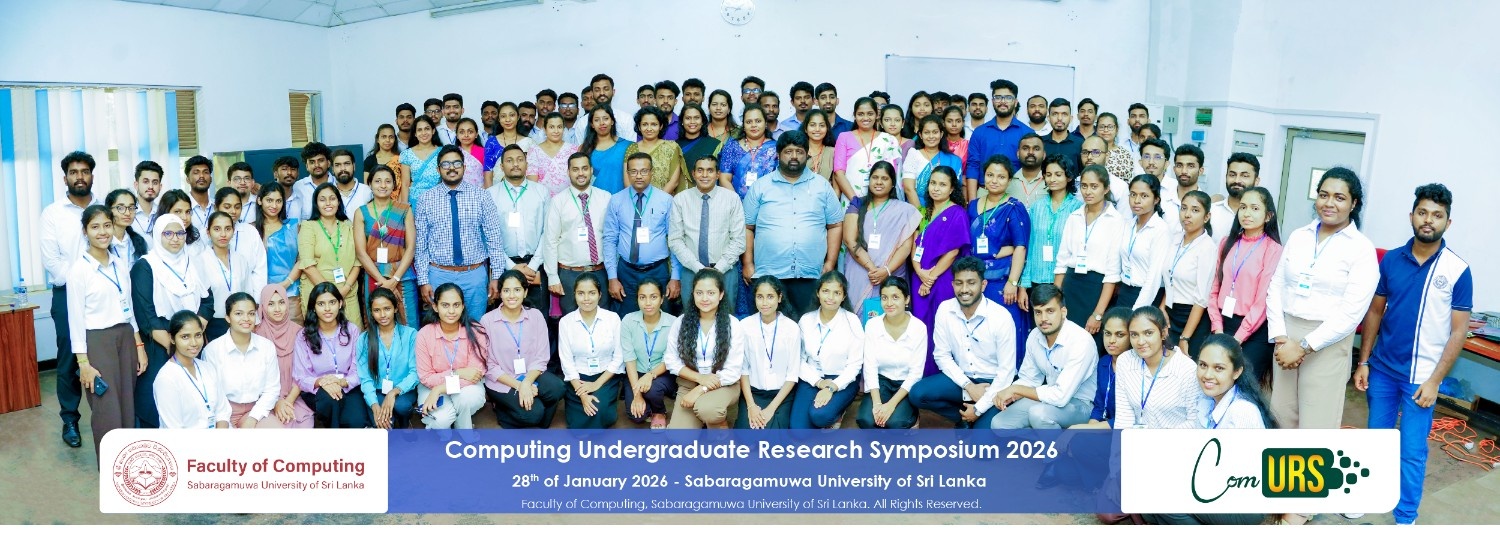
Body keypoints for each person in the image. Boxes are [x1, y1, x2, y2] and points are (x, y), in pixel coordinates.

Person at [1355, 183, 1470, 525]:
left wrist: (1435, 381)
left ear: (1448, 222)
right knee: (1376, 441)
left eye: (1437, 215)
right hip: (1382, 370)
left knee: (1412, 451)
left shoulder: (1457, 270)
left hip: (1422, 378)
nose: (1428, 220)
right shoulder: (1392, 259)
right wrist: (1363, 361)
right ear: (1411, 216)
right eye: (1422, 212)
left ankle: (1406, 517)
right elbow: (1375, 312)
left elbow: (1459, 331)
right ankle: (1368, 494)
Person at [1266, 167, 1378, 429]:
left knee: (1317, 423)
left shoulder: (1361, 248)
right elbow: (1276, 286)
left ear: (1354, 204)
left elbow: (1351, 312)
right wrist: (1281, 337)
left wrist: (1304, 346)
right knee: (1280, 416)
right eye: (1324, 195)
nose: (1329, 203)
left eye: (1340, 197)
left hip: (1328, 342)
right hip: (1286, 337)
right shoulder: (1299, 236)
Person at [1139, 334, 1275, 526]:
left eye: (1219, 368)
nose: (1207, 375)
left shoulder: (1242, 411)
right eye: (1203, 365)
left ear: (1236, 372)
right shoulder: (1206, 401)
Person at [69, 204, 146, 454]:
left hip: (125, 337)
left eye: (106, 225)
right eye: (95, 227)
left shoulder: (119, 264)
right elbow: (75, 320)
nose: (102, 232)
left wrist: (139, 345)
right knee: (106, 408)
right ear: (85, 231)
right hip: (97, 342)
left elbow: (129, 307)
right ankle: (110, 466)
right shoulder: (79, 271)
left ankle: (127, 462)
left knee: (127, 404)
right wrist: (83, 363)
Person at [743, 131, 844, 318]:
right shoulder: (761, 186)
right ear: (778, 154)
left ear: (807, 154)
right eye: (788, 152)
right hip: (768, 275)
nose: (794, 156)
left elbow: (835, 225)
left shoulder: (822, 186)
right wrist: (748, 263)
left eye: (799, 152)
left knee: (808, 327)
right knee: (769, 328)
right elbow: (747, 227)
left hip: (810, 274)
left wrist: (830, 262)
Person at [909, 257, 1017, 427]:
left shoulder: (1001, 317)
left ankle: (977, 416)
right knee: (918, 394)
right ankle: (963, 417)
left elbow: (1006, 373)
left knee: (979, 441)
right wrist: (969, 386)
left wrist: (978, 409)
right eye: (959, 283)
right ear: (953, 285)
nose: (964, 289)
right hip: (962, 380)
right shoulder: (945, 309)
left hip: (993, 384)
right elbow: (942, 356)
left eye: (971, 283)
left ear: (983, 285)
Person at [40, 151, 100, 447]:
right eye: (74, 172)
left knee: (102, 353)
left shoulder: (104, 208)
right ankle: (70, 420)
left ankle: (107, 417)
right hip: (66, 294)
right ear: (65, 178)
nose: (79, 177)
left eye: (84, 171)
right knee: (69, 358)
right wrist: (82, 280)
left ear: (92, 176)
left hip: (102, 293)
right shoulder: (52, 214)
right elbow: (52, 262)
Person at [131, 215, 212, 428]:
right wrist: (173, 343)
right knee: (157, 399)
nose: (175, 238)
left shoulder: (193, 262)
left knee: (192, 396)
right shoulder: (145, 266)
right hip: (160, 341)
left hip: (191, 340)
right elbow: (145, 312)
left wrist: (192, 333)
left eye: (179, 233)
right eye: (168, 233)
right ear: (158, 235)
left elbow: (207, 300)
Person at [414, 145, 508, 322]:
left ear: (464, 167)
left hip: (474, 276)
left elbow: (494, 238)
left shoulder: (482, 196)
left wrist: (496, 276)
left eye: (457, 163)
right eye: (446, 164)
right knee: (441, 328)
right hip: (439, 275)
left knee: (476, 326)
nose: (451, 168)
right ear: (438, 169)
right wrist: (423, 280)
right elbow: (421, 245)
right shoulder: (425, 199)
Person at [987, 283, 1097, 429]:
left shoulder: (1081, 341)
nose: (1043, 318)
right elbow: (1030, 379)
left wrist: (1015, 389)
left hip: (1079, 405)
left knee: (1039, 414)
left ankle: (1061, 443)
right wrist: (1011, 395)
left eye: (1050, 311)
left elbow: (1060, 396)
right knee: (999, 424)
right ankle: (1040, 439)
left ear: (1063, 312)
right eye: (1038, 312)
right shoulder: (1035, 336)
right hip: (1047, 399)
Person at [1207, 186, 1283, 384]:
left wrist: (1238, 338)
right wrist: (1217, 328)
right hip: (1222, 323)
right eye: (1243, 207)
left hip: (1253, 331)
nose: (1247, 213)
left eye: (1255, 208)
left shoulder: (1273, 249)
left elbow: (1262, 301)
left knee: (1243, 387)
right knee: (1216, 383)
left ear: (1268, 216)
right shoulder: (1226, 243)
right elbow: (1214, 289)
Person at [481, 270, 565, 429]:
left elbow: (542, 357)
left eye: (517, 290)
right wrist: (520, 386)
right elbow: (489, 366)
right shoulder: (488, 321)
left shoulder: (536, 316)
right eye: (506, 290)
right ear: (500, 293)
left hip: (530, 374)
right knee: (533, 414)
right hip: (502, 380)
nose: (512, 295)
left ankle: (533, 407)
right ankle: (502, 409)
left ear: (525, 292)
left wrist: (526, 382)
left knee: (557, 388)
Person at [663, 269, 746, 429]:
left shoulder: (733, 324)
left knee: (708, 410)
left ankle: (715, 419)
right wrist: (699, 378)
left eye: (711, 293)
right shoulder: (681, 322)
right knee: (679, 439)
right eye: (699, 293)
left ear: (721, 295)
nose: (705, 298)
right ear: (693, 294)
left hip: (723, 384)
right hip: (690, 383)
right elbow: (671, 360)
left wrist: (701, 389)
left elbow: (733, 371)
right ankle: (702, 417)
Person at [968, 155, 1031, 361]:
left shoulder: (1014, 207)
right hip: (976, 280)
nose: (994, 180)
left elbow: (1020, 247)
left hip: (1002, 282)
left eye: (1001, 176)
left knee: (1005, 330)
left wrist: (1013, 283)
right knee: (979, 332)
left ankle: (1010, 374)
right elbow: (968, 243)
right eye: (990, 175)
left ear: (1009, 180)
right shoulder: (973, 206)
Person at [603, 153, 680, 314]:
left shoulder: (666, 200)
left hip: (657, 271)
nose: (639, 176)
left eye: (644, 171)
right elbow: (609, 240)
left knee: (661, 316)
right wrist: (612, 277)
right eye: (634, 171)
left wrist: (675, 277)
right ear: (628, 173)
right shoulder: (616, 200)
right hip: (626, 272)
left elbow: (675, 240)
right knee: (627, 318)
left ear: (652, 172)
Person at [786, 273, 864, 429]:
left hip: (841, 379)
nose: (831, 297)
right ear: (818, 293)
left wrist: (831, 387)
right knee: (798, 431)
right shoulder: (806, 320)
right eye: (826, 291)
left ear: (843, 296)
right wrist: (819, 382)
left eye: (837, 293)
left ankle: (838, 412)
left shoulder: (852, 321)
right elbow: (798, 359)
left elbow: (855, 365)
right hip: (813, 377)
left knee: (820, 416)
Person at [670, 155, 746, 313]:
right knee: (691, 318)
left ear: (717, 174)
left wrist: (719, 269)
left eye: (710, 171)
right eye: (700, 170)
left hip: (725, 271)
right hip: (691, 270)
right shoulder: (680, 200)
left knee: (725, 319)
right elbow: (675, 240)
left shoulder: (732, 199)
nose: (704, 175)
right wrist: (697, 267)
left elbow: (739, 240)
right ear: (693, 174)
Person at [1054, 166, 1124, 336]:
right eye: (1084, 186)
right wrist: (1055, 301)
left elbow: (1112, 273)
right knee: (1066, 338)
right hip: (1070, 285)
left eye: (1094, 186)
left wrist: (1098, 314)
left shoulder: (1116, 221)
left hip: (1096, 289)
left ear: (1106, 188)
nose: (1088, 191)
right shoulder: (1074, 217)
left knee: (1090, 340)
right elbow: (1062, 262)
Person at [842, 162, 920, 308]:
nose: (879, 182)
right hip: (860, 270)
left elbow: (905, 247)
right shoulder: (857, 204)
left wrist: (886, 270)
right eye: (875, 177)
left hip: (892, 272)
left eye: (884, 178)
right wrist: (872, 269)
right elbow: (849, 240)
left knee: (890, 311)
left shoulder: (904, 211)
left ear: (892, 183)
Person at [542, 152, 611, 315]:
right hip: (569, 274)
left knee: (603, 320)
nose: (581, 173)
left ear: (591, 170)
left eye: (584, 168)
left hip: (600, 271)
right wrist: (552, 276)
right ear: (568, 172)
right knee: (571, 320)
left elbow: (612, 237)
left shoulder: (606, 198)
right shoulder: (558, 201)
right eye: (575, 169)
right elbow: (550, 240)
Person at [293, 283, 368, 428]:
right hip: (318, 390)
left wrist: (343, 382)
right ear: (313, 307)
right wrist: (322, 382)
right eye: (321, 304)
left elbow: (359, 368)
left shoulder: (352, 330)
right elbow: (301, 376)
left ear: (340, 304)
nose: (327, 308)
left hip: (348, 386)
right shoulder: (303, 336)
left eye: (332, 302)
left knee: (357, 422)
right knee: (331, 402)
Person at [203, 293, 284, 429]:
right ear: (227, 317)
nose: (246, 318)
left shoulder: (266, 347)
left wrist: (253, 418)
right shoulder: (212, 350)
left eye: (251, 313)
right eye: (239, 314)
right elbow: (212, 394)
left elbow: (272, 389)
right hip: (222, 412)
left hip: (256, 409)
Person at [1113, 306, 1201, 428]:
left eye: (1148, 333)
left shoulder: (1187, 369)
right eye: (1134, 335)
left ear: (1163, 333)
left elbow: (1194, 421)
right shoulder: (1125, 361)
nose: (1140, 341)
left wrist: (1158, 439)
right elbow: (1123, 416)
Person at [415, 284, 488, 429]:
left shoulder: (476, 331)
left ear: (463, 306)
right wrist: (458, 373)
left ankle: (462, 426)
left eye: (456, 305)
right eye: (445, 305)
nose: (451, 311)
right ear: (435, 307)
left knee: (469, 399)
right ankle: (456, 418)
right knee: (440, 421)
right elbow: (426, 378)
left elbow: (475, 374)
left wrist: (440, 389)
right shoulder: (424, 334)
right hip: (431, 387)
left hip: (463, 388)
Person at [487, 145, 551, 312]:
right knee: (507, 317)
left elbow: (548, 232)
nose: (515, 164)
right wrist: (511, 266)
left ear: (526, 164)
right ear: (502, 166)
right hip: (504, 265)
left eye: (520, 160)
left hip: (536, 266)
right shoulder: (490, 195)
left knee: (538, 317)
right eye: (509, 160)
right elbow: (488, 237)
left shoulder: (541, 192)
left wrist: (533, 265)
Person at [555, 273, 623, 428]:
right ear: (574, 295)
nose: (586, 298)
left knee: (598, 410)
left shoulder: (612, 319)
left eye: (592, 293)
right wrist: (583, 394)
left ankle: (605, 410)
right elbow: (566, 361)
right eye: (581, 293)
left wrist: (596, 384)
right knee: (577, 423)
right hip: (578, 379)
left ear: (600, 295)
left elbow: (619, 357)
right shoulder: (566, 322)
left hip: (605, 377)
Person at [857, 276, 926, 429]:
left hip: (906, 384)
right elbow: (870, 366)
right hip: (882, 382)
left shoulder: (918, 328)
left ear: (906, 299)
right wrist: (877, 404)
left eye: (895, 297)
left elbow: (915, 373)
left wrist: (890, 406)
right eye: (884, 297)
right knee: (866, 421)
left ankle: (914, 416)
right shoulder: (872, 325)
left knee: (895, 424)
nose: (889, 303)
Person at [354, 165, 419, 328]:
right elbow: (361, 253)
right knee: (377, 323)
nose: (383, 185)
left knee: (409, 323)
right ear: (369, 184)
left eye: (388, 181)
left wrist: (395, 279)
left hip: (402, 275)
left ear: (394, 185)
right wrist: (383, 280)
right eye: (378, 181)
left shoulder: (404, 210)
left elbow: (411, 247)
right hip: (374, 276)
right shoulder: (361, 212)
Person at [911, 166, 970, 342]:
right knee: (920, 325)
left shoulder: (957, 213)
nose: (936, 188)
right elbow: (914, 244)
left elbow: (953, 251)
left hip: (943, 277)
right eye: (933, 183)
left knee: (941, 325)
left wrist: (930, 278)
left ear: (952, 189)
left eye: (942, 185)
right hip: (919, 276)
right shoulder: (923, 212)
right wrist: (919, 271)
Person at [737, 275, 802, 429]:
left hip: (781, 395)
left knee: (774, 438)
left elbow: (792, 374)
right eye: (760, 297)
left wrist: (771, 409)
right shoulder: (745, 326)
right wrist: (751, 406)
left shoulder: (792, 328)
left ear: (779, 298)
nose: (765, 302)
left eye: (770, 297)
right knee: (746, 438)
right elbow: (743, 369)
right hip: (753, 394)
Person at [1018, 161, 1084, 312]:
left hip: (1065, 279)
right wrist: (1023, 285)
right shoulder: (1037, 206)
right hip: (1037, 278)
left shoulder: (1078, 208)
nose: (1052, 179)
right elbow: (1031, 246)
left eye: (1058, 174)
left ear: (1069, 177)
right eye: (1048, 175)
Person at [1162, 191, 1217, 358]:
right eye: (1184, 208)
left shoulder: (1207, 247)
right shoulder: (1175, 238)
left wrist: (1185, 337)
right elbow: (1170, 278)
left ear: (1206, 217)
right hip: (1170, 313)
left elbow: (1201, 298)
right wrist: (1162, 307)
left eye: (1195, 210)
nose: (1187, 214)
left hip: (1192, 318)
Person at [298, 184, 362, 326]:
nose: (328, 203)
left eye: (332, 198)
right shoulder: (308, 226)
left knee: (353, 335)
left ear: (338, 202)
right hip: (318, 293)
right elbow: (307, 265)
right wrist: (331, 295)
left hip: (347, 292)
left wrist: (345, 289)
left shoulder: (348, 225)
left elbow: (358, 262)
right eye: (322, 199)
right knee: (321, 336)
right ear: (316, 204)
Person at [153, 311, 230, 429]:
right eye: (185, 337)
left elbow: (222, 412)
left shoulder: (207, 368)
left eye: (198, 335)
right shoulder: (166, 379)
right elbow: (174, 429)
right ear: (172, 338)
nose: (194, 343)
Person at [354, 287, 418, 429]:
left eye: (387, 309)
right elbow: (365, 378)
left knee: (402, 406)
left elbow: (415, 372)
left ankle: (405, 422)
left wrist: (394, 392)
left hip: (403, 390)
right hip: (377, 392)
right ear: (371, 312)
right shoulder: (364, 339)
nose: (382, 315)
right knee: (384, 425)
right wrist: (374, 405)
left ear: (395, 309)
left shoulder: (410, 335)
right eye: (377, 310)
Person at [198, 211, 265, 342]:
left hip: (240, 322)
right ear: (208, 232)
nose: (223, 234)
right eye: (217, 229)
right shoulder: (200, 261)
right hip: (212, 324)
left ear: (233, 231)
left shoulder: (240, 259)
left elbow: (247, 292)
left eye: (228, 229)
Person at [620, 279, 678, 428]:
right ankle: (648, 399)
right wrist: (637, 394)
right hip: (636, 372)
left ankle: (659, 411)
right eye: (642, 297)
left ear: (661, 299)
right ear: (637, 299)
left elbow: (669, 359)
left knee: (652, 389)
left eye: (653, 297)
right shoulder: (628, 321)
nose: (648, 303)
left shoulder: (673, 323)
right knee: (637, 416)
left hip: (663, 373)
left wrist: (650, 375)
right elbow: (629, 359)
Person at [255, 284, 315, 428]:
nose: (277, 309)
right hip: (265, 400)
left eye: (281, 302)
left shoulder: (299, 333)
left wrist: (288, 401)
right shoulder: (256, 335)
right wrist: (276, 402)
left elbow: (304, 372)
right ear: (263, 306)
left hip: (296, 398)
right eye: (271, 304)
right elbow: (255, 377)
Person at [1115, 174, 1171, 309]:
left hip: (1147, 296)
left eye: (1144, 196)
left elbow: (1153, 277)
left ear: (1156, 199)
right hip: (1124, 291)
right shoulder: (1128, 224)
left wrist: (1137, 309)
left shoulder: (1160, 229)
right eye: (1133, 194)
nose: (1136, 200)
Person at [831, 97, 903, 201]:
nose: (865, 118)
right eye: (860, 114)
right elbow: (839, 173)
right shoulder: (844, 137)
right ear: (854, 115)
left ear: (877, 115)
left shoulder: (889, 140)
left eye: (870, 114)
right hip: (850, 199)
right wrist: (855, 201)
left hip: (881, 201)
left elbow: (893, 174)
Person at [1074, 307, 1134, 429]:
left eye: (1120, 335)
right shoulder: (1104, 362)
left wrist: (1089, 429)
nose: (1111, 340)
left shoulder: (1138, 368)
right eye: (1107, 333)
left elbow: (1131, 418)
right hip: (1104, 427)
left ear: (1132, 336)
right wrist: (1090, 429)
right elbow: (1099, 406)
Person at [257, 183, 304, 322]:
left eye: (278, 201)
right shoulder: (252, 230)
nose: (274, 205)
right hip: (261, 294)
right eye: (269, 200)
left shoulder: (293, 226)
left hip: (291, 292)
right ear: (259, 200)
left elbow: (302, 259)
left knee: (295, 332)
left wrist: (285, 284)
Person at [901, 115, 963, 207]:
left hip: (945, 210)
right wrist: (921, 214)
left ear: (941, 134)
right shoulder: (913, 154)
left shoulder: (953, 160)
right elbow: (909, 189)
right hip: (916, 209)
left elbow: (954, 192)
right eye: (927, 132)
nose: (931, 136)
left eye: (935, 132)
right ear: (920, 135)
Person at [718, 105, 777, 198]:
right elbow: (724, 178)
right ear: (744, 126)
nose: (753, 125)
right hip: (736, 203)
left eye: (758, 121)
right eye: (749, 122)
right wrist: (736, 203)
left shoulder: (776, 148)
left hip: (767, 202)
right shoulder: (732, 146)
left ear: (765, 123)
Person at [625, 107, 685, 193]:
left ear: (661, 126)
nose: (649, 128)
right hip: (636, 199)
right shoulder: (631, 148)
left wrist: (657, 199)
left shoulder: (671, 147)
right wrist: (638, 198)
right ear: (639, 126)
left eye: (654, 124)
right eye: (645, 124)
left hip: (664, 198)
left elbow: (674, 181)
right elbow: (627, 180)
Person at [528, 113, 583, 195]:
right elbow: (532, 182)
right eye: (551, 127)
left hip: (568, 198)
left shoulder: (574, 150)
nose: (556, 131)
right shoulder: (534, 151)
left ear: (563, 129)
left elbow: (578, 177)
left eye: (559, 127)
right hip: (542, 198)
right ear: (545, 129)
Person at [1211, 153, 1260, 241]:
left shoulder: (1263, 217)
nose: (1237, 180)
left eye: (1244, 176)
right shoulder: (1211, 211)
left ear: (1256, 181)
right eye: (1232, 175)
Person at [580, 105, 629, 194]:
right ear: (592, 124)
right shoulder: (584, 148)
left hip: (620, 199)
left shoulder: (627, 146)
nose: (602, 123)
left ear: (612, 121)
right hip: (594, 199)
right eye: (597, 120)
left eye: (605, 119)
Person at [1161, 144, 1206, 237]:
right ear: (1174, 169)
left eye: (1190, 166)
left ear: (1201, 171)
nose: (1184, 171)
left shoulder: (1206, 205)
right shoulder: (1161, 197)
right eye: (1179, 165)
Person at [400, 115, 444, 207]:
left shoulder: (442, 152)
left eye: (427, 129)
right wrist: (404, 207)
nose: (423, 133)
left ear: (433, 131)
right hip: (414, 202)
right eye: (419, 130)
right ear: (415, 134)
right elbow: (405, 184)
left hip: (438, 200)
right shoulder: (407, 154)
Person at [676, 106, 719, 187]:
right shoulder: (674, 146)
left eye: (696, 118)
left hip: (708, 191)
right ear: (682, 121)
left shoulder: (715, 145)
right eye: (688, 118)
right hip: (680, 192)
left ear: (702, 121)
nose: (692, 122)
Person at [287, 145, 330, 223]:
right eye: (312, 162)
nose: (317, 165)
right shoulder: (298, 186)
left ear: (328, 163)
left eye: (320, 161)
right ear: (307, 166)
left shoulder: (338, 184)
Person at [105, 189, 148, 265]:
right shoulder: (102, 241)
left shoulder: (139, 241)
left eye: (131, 208)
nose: (128, 213)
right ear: (109, 210)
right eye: (121, 208)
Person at [1003, 134, 1047, 207]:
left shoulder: (1051, 182)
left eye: (1036, 149)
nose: (1030, 152)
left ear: (1044, 155)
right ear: (1018, 154)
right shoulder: (1007, 182)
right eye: (1025, 148)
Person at [1041, 98, 1084, 170]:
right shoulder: (1040, 142)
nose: (1059, 118)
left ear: (1071, 118)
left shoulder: (1080, 143)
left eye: (1064, 114)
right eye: (1055, 114)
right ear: (1048, 118)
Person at [1096, 113, 1136, 183]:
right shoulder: (1090, 152)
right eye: (1102, 127)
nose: (1106, 130)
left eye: (1110, 127)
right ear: (1096, 130)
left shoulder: (1125, 153)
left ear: (1117, 130)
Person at [801, 109, 837, 179]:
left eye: (822, 125)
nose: (817, 129)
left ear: (827, 128)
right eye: (812, 125)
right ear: (805, 129)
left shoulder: (833, 152)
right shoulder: (798, 152)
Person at [183, 155, 216, 232]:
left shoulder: (218, 206)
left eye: (205, 172)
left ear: (211, 179)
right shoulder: (181, 207)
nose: (201, 176)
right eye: (196, 172)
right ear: (188, 179)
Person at [453, 118, 489, 188]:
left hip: (480, 190)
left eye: (470, 132)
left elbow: (488, 175)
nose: (466, 135)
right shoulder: (453, 153)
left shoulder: (484, 152)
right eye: (462, 132)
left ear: (476, 134)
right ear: (457, 135)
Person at [131, 161, 164, 234]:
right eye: (146, 182)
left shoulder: (163, 213)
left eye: (155, 183)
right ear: (136, 185)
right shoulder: (127, 213)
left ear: (160, 187)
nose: (150, 187)